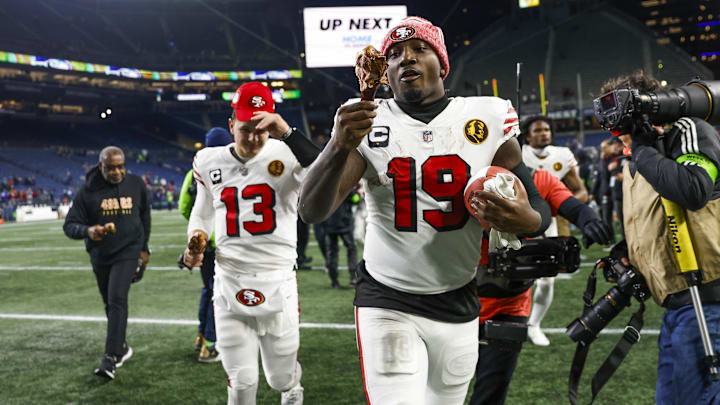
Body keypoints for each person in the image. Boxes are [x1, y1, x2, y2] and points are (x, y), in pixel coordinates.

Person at [299, 16, 551, 404]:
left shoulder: (486, 115)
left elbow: (537, 208)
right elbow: (311, 210)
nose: (406, 59)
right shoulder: (367, 119)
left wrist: (526, 221)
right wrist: (337, 145)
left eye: (420, 48)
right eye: (394, 54)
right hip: (389, 299)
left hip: (461, 300)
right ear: (385, 72)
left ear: (442, 61)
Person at [183, 82, 320, 405]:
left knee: (280, 377)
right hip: (229, 282)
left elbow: (322, 168)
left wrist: (286, 130)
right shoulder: (208, 161)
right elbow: (202, 213)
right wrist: (195, 239)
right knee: (242, 383)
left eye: (262, 129)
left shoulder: (288, 153)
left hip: (278, 281)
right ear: (232, 125)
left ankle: (293, 390)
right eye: (245, 129)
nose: (253, 137)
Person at [599, 70, 720, 405]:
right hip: (676, 306)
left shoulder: (688, 129)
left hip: (706, 300)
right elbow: (653, 219)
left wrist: (642, 148)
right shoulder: (636, 157)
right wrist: (625, 253)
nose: (616, 132)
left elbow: (693, 190)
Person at [469, 168, 613, 405]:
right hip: (456, 303)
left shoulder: (537, 180)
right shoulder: (461, 173)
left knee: (491, 393)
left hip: (509, 304)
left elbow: (572, 206)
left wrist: (590, 220)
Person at [63, 146, 151, 380]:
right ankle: (121, 347)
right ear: (100, 166)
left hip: (128, 251)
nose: (117, 172)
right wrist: (88, 230)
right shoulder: (87, 192)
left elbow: (144, 216)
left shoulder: (136, 184)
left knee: (117, 300)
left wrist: (144, 249)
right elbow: (69, 225)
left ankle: (110, 358)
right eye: (111, 168)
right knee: (110, 304)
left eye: (121, 166)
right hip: (101, 256)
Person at [521, 115, 589, 346]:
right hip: (520, 221)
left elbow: (581, 192)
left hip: (549, 223)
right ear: (527, 135)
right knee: (515, 273)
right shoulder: (517, 153)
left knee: (547, 279)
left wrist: (559, 203)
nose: (544, 133)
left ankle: (534, 325)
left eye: (547, 129)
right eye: (538, 130)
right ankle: (514, 320)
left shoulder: (562, 154)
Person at [179, 127, 233, 363]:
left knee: (207, 290)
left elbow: (184, 207)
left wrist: (199, 233)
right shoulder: (232, 168)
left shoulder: (195, 171)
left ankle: (201, 335)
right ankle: (211, 344)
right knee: (218, 293)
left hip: (202, 243)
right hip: (224, 242)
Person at [324, 189, 359, 288]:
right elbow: (355, 199)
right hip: (344, 223)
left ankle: (334, 281)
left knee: (332, 252)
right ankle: (353, 276)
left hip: (329, 223)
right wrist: (357, 196)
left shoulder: (325, 184)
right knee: (351, 249)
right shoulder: (345, 183)